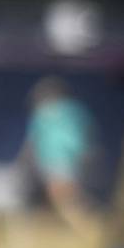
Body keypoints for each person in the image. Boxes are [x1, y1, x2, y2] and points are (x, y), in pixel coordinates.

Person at [23, 77, 95, 232]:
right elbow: (86, 134)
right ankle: (85, 222)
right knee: (65, 195)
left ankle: (85, 225)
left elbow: (33, 141)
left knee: (63, 196)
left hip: (58, 159)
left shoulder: (48, 113)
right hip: (63, 160)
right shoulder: (74, 110)